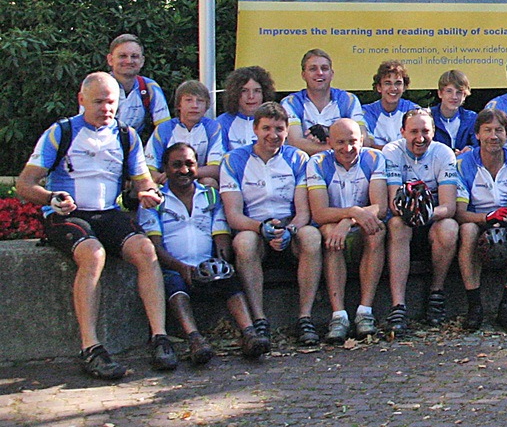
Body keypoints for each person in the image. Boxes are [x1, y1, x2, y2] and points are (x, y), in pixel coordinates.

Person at [18, 72, 174, 379]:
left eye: (111, 102)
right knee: (94, 254)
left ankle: (160, 338)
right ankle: (91, 347)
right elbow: (25, 184)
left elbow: (144, 182)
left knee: (145, 250)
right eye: (99, 102)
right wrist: (51, 197)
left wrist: (148, 194)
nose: (106, 108)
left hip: (107, 213)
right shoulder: (61, 132)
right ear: (82, 100)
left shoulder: (126, 135)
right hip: (67, 215)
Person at [144, 142, 268, 363]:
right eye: (176, 165)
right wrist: (181, 268)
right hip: (174, 268)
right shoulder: (154, 201)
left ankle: (249, 333)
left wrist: (220, 262)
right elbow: (155, 245)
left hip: (206, 267)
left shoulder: (211, 195)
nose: (184, 170)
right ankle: (195, 339)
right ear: (165, 168)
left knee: (229, 278)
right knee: (175, 287)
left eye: (189, 164)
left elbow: (220, 234)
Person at [220, 101, 321, 346]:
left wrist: (290, 230)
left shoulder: (298, 158)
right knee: (244, 242)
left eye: (279, 129)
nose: (273, 135)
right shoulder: (233, 160)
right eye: (266, 128)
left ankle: (305, 318)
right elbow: (233, 215)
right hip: (253, 228)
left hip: (289, 228)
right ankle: (259, 320)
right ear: (255, 129)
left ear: (287, 131)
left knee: (311, 236)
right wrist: (260, 228)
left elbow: (303, 212)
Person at [305, 118, 387, 341]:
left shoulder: (374, 158)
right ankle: (338, 315)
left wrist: (349, 220)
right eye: (340, 142)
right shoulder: (317, 162)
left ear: (361, 140)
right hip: (332, 226)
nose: (348, 148)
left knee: (376, 230)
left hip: (358, 225)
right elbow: (319, 213)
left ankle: (365, 312)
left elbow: (380, 207)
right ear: (330, 142)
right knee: (331, 232)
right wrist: (352, 213)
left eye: (353, 141)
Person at [454, 109, 507, 330]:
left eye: (499, 130)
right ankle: (474, 306)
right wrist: (487, 218)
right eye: (487, 130)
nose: (493, 136)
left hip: (506, 223)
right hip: (476, 220)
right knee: (468, 230)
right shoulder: (462, 163)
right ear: (477, 135)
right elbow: (459, 212)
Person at [381, 109, 461, 332]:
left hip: (432, 218)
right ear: (402, 132)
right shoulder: (392, 152)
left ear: (433, 132)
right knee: (397, 225)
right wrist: (412, 214)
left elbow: (449, 206)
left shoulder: (443, 153)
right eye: (414, 131)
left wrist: (425, 214)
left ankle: (436, 293)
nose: (420, 138)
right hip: (404, 219)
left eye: (425, 131)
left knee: (449, 227)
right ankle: (398, 305)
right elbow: (394, 204)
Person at [284, 49, 365, 156]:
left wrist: (327, 135)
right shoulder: (291, 102)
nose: (320, 73)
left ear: (332, 74)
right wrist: (337, 146)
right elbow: (295, 143)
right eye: (313, 69)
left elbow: (363, 139)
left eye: (324, 68)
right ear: (303, 75)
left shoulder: (348, 100)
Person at [145, 80, 217, 186]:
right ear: (179, 105)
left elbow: (216, 168)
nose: (195, 105)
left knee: (209, 182)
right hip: (168, 182)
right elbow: (148, 167)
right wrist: (163, 178)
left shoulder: (213, 128)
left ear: (206, 106)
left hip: (197, 179)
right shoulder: (164, 129)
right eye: (189, 100)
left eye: (200, 101)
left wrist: (183, 174)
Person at [208, 66, 275, 179]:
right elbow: (219, 163)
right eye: (244, 91)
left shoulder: (275, 120)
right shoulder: (221, 123)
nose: (251, 96)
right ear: (235, 93)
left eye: (257, 91)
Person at [100, 34, 169, 140]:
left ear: (142, 61)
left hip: (135, 147)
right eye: (122, 56)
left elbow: (164, 130)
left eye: (134, 56)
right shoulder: (96, 87)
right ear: (110, 59)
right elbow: (86, 127)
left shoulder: (150, 88)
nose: (129, 61)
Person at [363, 60, 419, 149]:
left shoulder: (414, 110)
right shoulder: (366, 113)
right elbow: (367, 146)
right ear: (379, 87)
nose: (393, 88)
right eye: (387, 83)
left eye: (398, 83)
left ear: (404, 87)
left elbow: (418, 144)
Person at [429, 69, 478, 153]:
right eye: (449, 91)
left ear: (465, 95)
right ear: (440, 93)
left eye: (459, 92)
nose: (454, 97)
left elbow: (479, 145)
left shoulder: (472, 118)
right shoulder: (428, 117)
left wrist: (471, 149)